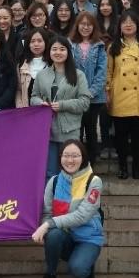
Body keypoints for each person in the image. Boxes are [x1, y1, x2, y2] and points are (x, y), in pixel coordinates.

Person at [32, 140, 103, 278]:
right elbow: (47, 213)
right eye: (66, 155)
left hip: (87, 237)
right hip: (65, 235)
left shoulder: (94, 181)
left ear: (83, 157)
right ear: (60, 158)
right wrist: (46, 231)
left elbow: (81, 216)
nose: (70, 160)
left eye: (75, 156)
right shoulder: (54, 181)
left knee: (78, 270)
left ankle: (86, 265)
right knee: (53, 235)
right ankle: (50, 274)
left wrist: (46, 225)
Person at [31, 36, 92, 179]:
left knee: (69, 171)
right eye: (54, 49)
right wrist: (40, 103)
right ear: (49, 52)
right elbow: (33, 97)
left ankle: (69, 195)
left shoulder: (79, 75)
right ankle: (50, 194)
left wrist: (63, 105)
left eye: (62, 49)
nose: (58, 52)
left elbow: (84, 102)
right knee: (50, 172)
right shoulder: (41, 75)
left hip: (70, 130)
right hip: (47, 131)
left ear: (68, 52)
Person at [107, 10, 139, 180]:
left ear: (137, 25)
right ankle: (122, 167)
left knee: (138, 136)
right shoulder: (113, 47)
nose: (128, 25)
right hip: (119, 96)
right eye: (124, 22)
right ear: (119, 26)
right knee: (120, 136)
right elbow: (108, 72)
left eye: (132, 22)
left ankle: (136, 167)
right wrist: (107, 92)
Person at [70, 12, 107, 161]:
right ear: (77, 26)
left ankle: (92, 161)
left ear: (94, 27)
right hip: (74, 96)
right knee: (77, 130)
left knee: (91, 129)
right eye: (83, 24)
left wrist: (90, 92)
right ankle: (77, 161)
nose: (85, 27)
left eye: (89, 25)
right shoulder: (70, 44)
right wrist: (76, 92)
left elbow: (102, 72)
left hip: (94, 97)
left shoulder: (99, 45)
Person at [16, 27, 50, 108]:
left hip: (47, 110)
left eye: (40, 41)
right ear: (28, 44)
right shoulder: (21, 65)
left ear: (46, 43)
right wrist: (20, 107)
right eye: (32, 41)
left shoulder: (52, 64)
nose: (36, 44)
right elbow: (18, 90)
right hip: (26, 110)